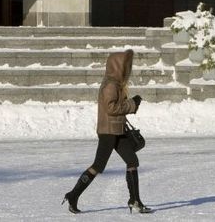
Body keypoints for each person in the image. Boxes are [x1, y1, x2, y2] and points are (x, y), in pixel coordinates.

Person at [63, 49, 152, 214]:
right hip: (108, 132)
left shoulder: (116, 84)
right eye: (124, 67)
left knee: (132, 160)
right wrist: (132, 104)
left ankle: (135, 200)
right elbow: (111, 108)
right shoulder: (110, 85)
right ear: (117, 67)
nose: (127, 71)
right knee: (98, 165)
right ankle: (73, 195)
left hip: (117, 130)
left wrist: (132, 103)